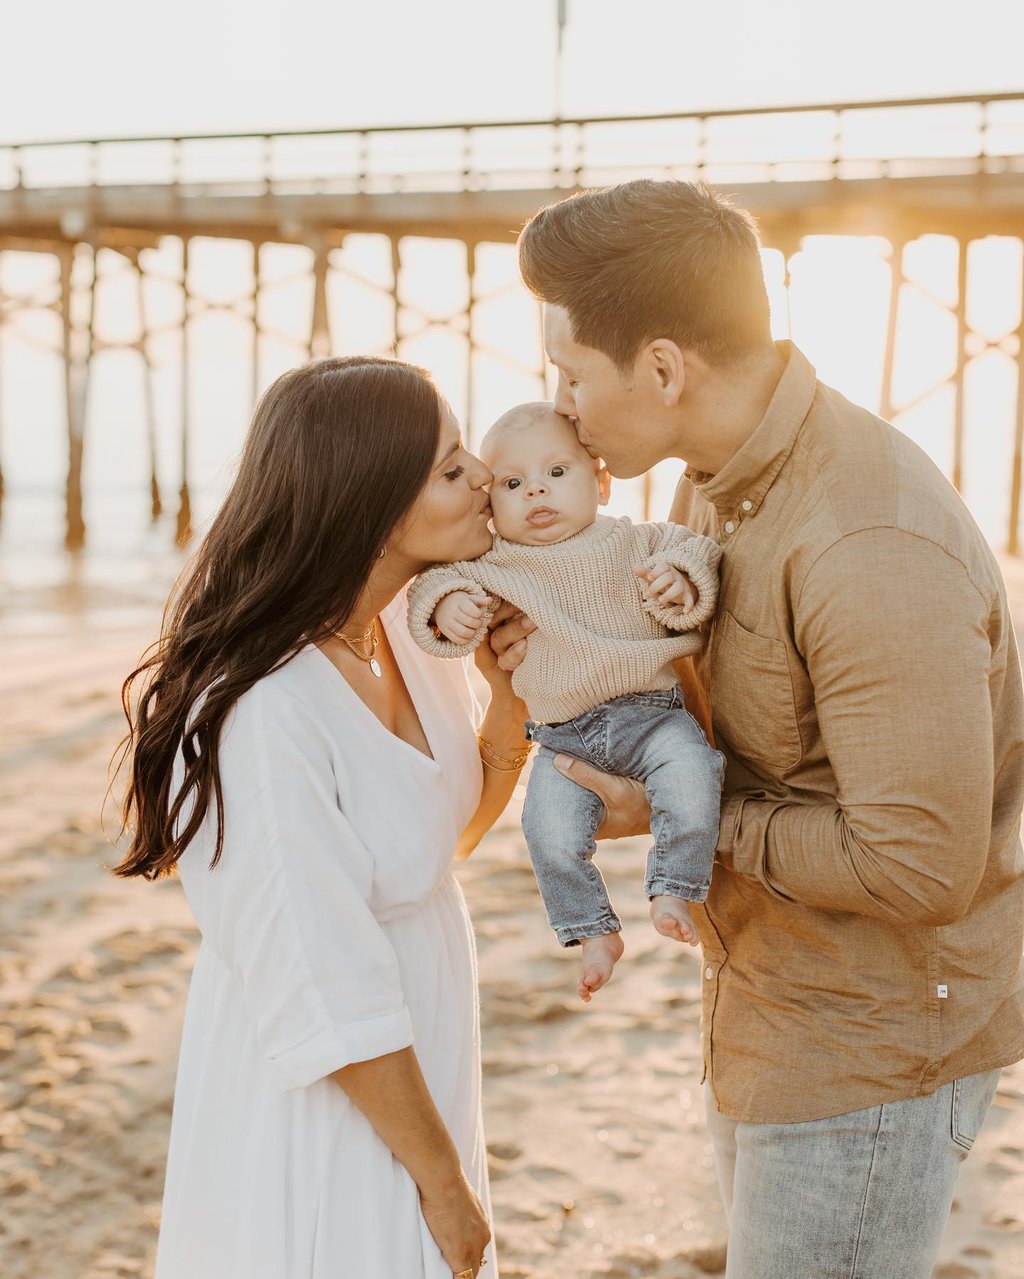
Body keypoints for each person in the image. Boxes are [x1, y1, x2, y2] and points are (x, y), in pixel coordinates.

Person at [495, 178, 1024, 1278]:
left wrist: (686, 813)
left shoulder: (866, 543)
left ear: (661, 368)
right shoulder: (707, 485)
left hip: (865, 1050)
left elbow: (921, 862)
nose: (564, 406)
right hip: (766, 1000)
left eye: (572, 375)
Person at [113, 355, 533, 1279]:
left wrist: (508, 706)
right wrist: (445, 1181)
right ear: (374, 503)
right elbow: (324, 978)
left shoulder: (410, 636)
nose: (485, 482)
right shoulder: (263, 708)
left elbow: (435, 844)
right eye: (451, 466)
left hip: (412, 1044)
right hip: (329, 1079)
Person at [407, 401, 724, 1001]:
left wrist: (680, 583)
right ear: (491, 505)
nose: (537, 494)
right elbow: (433, 586)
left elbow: (695, 551)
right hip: (562, 735)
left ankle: (674, 884)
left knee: (692, 774)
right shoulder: (494, 563)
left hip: (651, 715)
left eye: (558, 473)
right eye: (513, 484)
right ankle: (591, 931)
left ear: (600, 483)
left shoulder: (633, 541)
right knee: (547, 831)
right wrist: (450, 607)